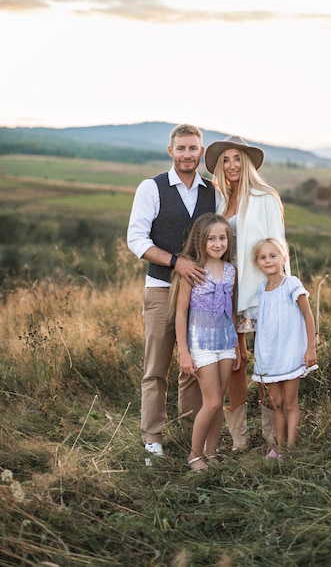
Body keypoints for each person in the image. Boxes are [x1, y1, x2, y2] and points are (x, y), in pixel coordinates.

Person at [127, 123, 218, 464]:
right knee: (156, 368)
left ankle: (191, 436)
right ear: (171, 152)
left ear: (201, 152)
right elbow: (136, 240)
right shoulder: (151, 188)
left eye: (193, 148)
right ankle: (152, 440)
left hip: (202, 295)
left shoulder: (213, 192)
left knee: (195, 367)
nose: (187, 155)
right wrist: (176, 263)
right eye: (181, 148)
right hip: (162, 289)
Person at [204, 135, 290, 451]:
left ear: (247, 162)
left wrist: (281, 292)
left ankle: (272, 435)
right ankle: (239, 438)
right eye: (225, 160)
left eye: (237, 158)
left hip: (262, 293)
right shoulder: (219, 202)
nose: (231, 165)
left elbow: (278, 249)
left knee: (267, 361)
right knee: (237, 363)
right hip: (228, 293)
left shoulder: (265, 197)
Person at [170, 213, 239, 470]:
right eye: (212, 239)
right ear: (201, 241)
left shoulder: (231, 271)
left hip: (226, 341)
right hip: (201, 342)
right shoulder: (193, 271)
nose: (218, 243)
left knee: (219, 403)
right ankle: (195, 454)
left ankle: (212, 452)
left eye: (222, 238)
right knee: (210, 402)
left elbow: (230, 309)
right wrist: (184, 353)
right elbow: (180, 313)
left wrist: (238, 346)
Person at [252, 237, 318, 458]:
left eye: (273, 255)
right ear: (257, 263)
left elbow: (308, 316)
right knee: (276, 403)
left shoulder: (291, 284)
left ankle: (291, 449)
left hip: (290, 354)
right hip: (271, 357)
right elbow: (264, 327)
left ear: (284, 258)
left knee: (290, 403)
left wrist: (311, 348)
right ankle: (278, 449)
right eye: (263, 257)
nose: (268, 260)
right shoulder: (262, 290)